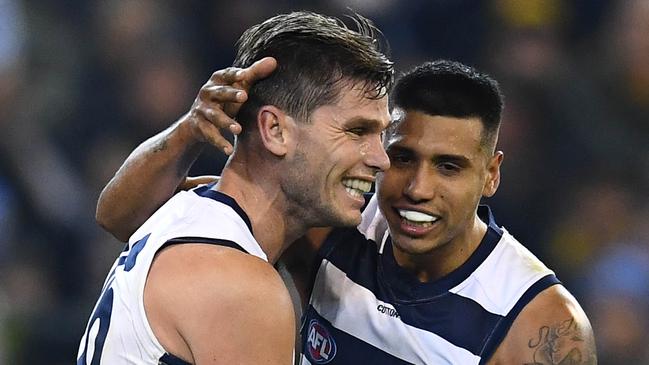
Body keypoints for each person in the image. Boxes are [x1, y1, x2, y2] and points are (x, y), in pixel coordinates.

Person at [95, 60, 597, 364]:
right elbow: (125, 218)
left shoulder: (537, 325)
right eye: (402, 158)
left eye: (449, 167)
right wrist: (187, 129)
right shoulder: (333, 224)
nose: (418, 188)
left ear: (491, 175)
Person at [77, 11, 394, 364]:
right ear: (274, 130)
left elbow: (113, 215)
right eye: (357, 131)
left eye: (381, 134)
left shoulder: (187, 205)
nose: (381, 159)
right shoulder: (240, 286)